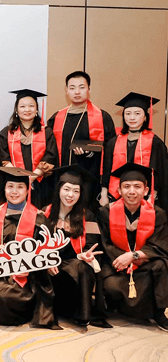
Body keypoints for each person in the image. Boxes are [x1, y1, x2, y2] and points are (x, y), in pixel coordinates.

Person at [0, 166, 59, 329]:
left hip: (29, 272)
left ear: (28, 190)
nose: (14, 191)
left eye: (20, 187)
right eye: (10, 186)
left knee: (17, 293)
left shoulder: (39, 218)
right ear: (4, 189)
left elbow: (45, 250)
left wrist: (31, 263)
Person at [98, 163, 168, 331]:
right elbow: (105, 243)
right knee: (111, 285)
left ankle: (158, 312)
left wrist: (134, 256)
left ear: (145, 190)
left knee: (162, 265)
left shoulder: (158, 214)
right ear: (119, 190)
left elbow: (160, 245)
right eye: (126, 186)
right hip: (117, 264)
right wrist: (122, 259)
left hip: (144, 263)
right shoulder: (105, 212)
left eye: (137, 187)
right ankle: (117, 307)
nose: (131, 191)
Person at [43, 165, 110, 328]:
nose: (70, 195)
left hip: (75, 265)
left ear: (81, 194)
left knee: (82, 266)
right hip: (51, 266)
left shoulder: (88, 216)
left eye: (76, 191)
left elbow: (92, 246)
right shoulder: (45, 213)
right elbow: (38, 245)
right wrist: (47, 262)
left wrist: (86, 254)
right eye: (66, 189)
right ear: (59, 189)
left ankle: (82, 314)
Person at [47, 71, 116, 210]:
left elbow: (110, 152)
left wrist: (90, 154)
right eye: (72, 88)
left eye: (81, 87)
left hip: (90, 180)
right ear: (66, 91)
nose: (77, 92)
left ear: (89, 89)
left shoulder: (102, 118)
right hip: (61, 180)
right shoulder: (57, 118)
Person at [101, 92, 168, 210]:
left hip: (146, 200)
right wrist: (103, 194)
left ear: (145, 117)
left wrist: (152, 197)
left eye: (137, 113)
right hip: (116, 197)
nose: (132, 117)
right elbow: (106, 170)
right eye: (128, 113)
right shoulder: (113, 142)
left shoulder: (155, 143)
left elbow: (160, 174)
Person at [0, 89, 58, 208]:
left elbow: (51, 157)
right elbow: (2, 158)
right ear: (16, 110)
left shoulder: (47, 132)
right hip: (14, 186)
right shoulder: (7, 133)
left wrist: (32, 177)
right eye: (22, 106)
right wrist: (21, 178)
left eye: (31, 106)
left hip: (40, 185)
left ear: (36, 109)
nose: (27, 110)